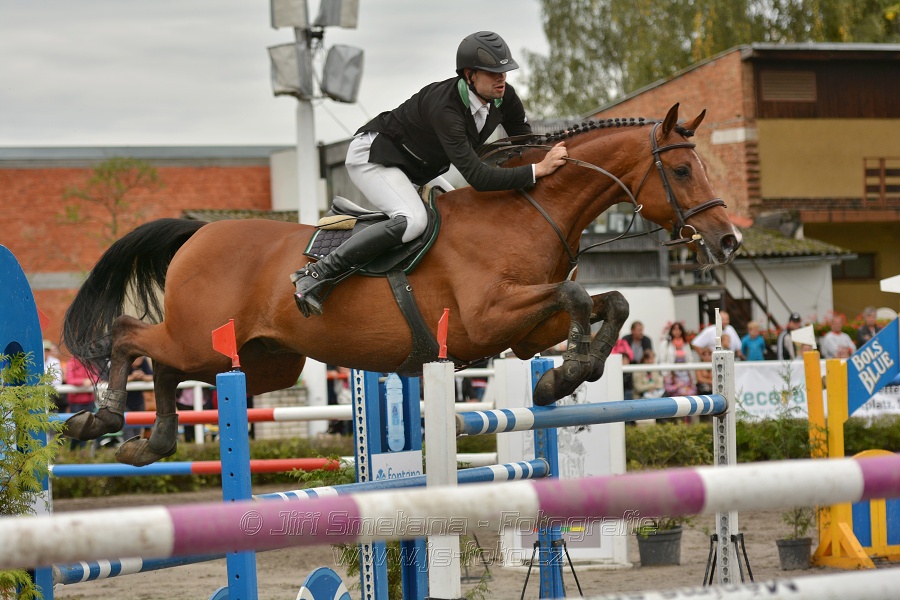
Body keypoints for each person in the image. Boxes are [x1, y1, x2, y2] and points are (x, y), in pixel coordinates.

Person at [292, 31, 568, 317]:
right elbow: (478, 177)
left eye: (505, 72)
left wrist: (563, 147)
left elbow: (525, 144)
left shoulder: (504, 97)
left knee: (465, 216)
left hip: (417, 166)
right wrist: (538, 170)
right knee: (413, 221)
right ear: (470, 75)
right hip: (374, 157)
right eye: (493, 72)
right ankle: (316, 273)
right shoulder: (446, 108)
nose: (502, 79)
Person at [64, 356, 97, 451]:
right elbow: (69, 380)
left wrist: (90, 381)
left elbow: (96, 377)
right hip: (76, 403)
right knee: (76, 430)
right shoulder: (71, 363)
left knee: (88, 429)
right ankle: (74, 453)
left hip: (89, 401)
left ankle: (83, 453)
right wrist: (83, 381)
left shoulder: (89, 363)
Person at [657, 322, 697, 397]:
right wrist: (664, 374)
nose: (677, 331)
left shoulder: (685, 344)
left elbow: (689, 359)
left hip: (685, 374)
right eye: (675, 329)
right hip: (671, 374)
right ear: (671, 331)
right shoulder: (666, 343)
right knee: (675, 393)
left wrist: (691, 376)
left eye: (679, 329)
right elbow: (662, 360)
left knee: (688, 392)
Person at [123, 357, 153, 441]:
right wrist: (132, 377)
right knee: (128, 431)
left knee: (138, 430)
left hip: (139, 401)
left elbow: (152, 376)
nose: (140, 359)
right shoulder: (124, 362)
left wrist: (143, 377)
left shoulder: (144, 361)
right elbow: (116, 379)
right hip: (124, 402)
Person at [43, 340, 66, 413]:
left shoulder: (55, 361)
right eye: (44, 350)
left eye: (47, 350)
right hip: (42, 393)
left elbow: (57, 380)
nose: (46, 353)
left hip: (53, 392)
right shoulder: (37, 362)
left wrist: (46, 380)